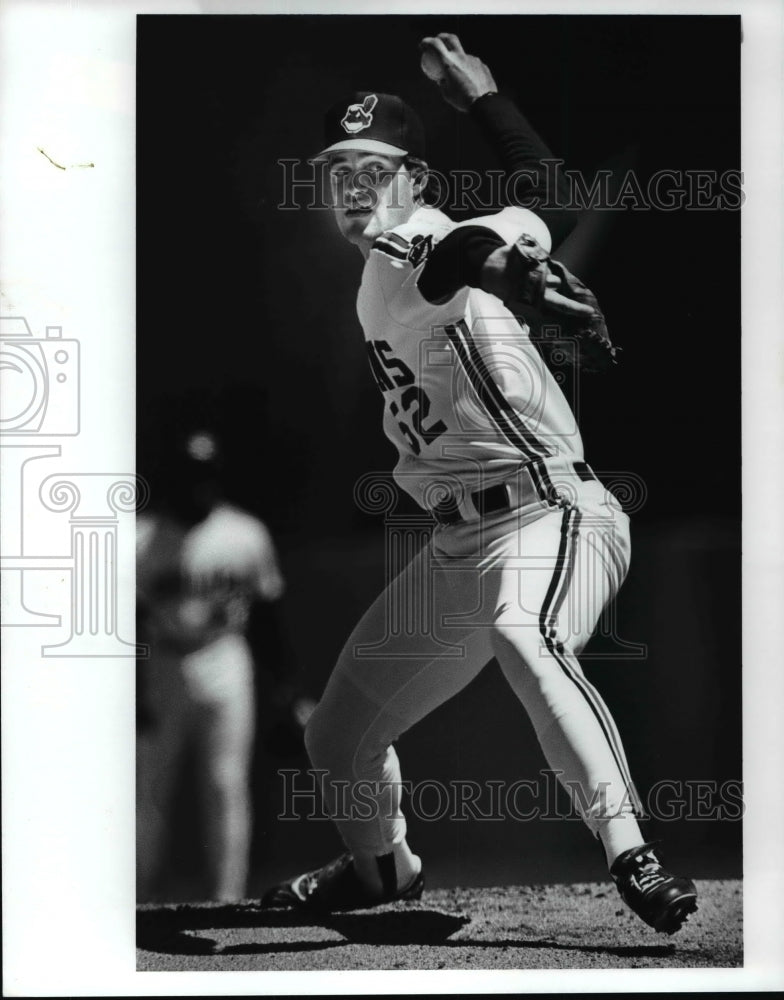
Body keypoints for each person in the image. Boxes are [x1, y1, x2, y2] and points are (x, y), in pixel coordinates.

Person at [263, 34, 697, 934]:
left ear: (414, 178)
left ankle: (633, 855)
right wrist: (488, 101)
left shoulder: (406, 237)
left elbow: (454, 250)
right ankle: (382, 869)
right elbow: (551, 206)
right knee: (337, 734)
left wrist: (505, 271)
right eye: (338, 170)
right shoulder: (391, 260)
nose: (351, 185)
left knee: (527, 635)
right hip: (463, 538)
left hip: (552, 509)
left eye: (371, 167)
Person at [136, 426, 295, 902]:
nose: (197, 483)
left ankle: (227, 901)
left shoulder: (244, 534)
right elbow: (125, 625)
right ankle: (132, 900)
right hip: (162, 662)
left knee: (226, 784)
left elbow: (268, 616)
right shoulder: (140, 539)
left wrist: (285, 686)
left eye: (205, 473)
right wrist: (132, 689)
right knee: (147, 792)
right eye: (189, 474)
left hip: (225, 658)